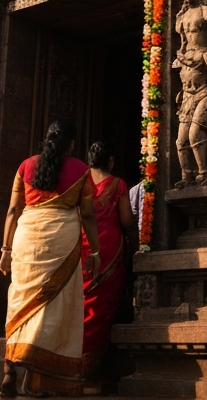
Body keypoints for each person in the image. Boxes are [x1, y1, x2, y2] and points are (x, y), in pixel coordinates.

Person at [0, 120, 100, 398]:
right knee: (55, 307)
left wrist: (5, 250)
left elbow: (12, 211)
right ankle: (43, 378)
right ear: (71, 144)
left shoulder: (25, 166)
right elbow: (89, 215)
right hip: (61, 240)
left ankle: (10, 371)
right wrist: (96, 251)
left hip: (27, 238)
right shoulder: (81, 169)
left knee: (20, 301)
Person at [81, 142, 138, 391]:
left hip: (81, 248)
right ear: (111, 161)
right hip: (108, 250)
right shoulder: (117, 184)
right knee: (102, 308)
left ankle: (70, 366)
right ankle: (90, 372)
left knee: (79, 306)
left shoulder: (80, 182)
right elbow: (126, 219)